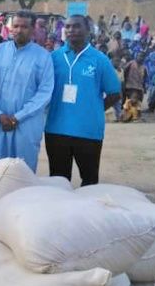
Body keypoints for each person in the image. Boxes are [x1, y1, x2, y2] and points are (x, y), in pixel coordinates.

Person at [45, 15, 120, 186]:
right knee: (58, 181)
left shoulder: (99, 59)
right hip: (56, 130)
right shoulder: (54, 58)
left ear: (88, 30)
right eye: (68, 27)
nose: (72, 30)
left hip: (88, 131)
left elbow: (115, 93)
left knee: (89, 180)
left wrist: (93, 109)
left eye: (77, 26)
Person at [0, 11, 54, 171]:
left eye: (24, 26)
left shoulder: (43, 56)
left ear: (32, 30)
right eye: (15, 26)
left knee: (22, 171)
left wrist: (18, 117)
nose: (18, 30)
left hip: (26, 124)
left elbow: (44, 93)